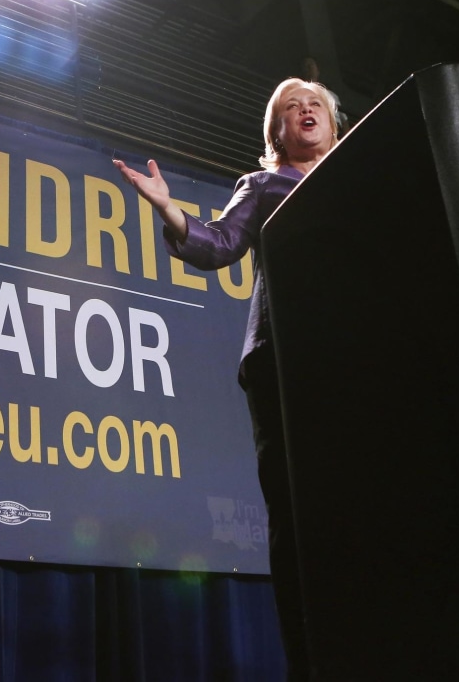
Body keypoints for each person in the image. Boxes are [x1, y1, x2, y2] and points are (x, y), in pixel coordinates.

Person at [113, 77, 342, 682]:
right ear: (278, 134)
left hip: (359, 359)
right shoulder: (265, 185)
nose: (305, 111)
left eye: (315, 104)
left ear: (334, 124)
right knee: (299, 519)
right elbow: (218, 245)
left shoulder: (362, 184)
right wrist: (168, 208)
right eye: (292, 108)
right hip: (286, 362)